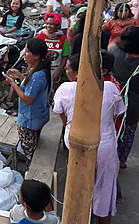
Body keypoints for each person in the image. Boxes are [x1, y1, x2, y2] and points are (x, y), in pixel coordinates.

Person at [54, 54, 125, 224]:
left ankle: (80, 216)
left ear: (79, 72)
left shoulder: (64, 89)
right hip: (105, 143)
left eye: (68, 68)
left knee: (80, 185)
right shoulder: (109, 87)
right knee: (104, 187)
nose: (66, 70)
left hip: (77, 143)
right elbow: (117, 114)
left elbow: (63, 118)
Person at [5, 38, 51, 167]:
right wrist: (20, 76)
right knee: (35, 143)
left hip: (30, 120)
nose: (24, 55)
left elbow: (28, 99)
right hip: (40, 115)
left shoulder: (37, 76)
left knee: (30, 151)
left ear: (36, 56)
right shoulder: (41, 70)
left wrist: (13, 84)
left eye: (27, 52)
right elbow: (33, 87)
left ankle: (31, 170)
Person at [111, 26, 139, 168]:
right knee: (128, 132)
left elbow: (112, 44)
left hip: (114, 97)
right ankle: (121, 160)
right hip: (134, 104)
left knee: (111, 127)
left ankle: (109, 156)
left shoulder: (114, 52)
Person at [36, 13, 70, 85]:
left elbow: (65, 57)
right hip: (41, 70)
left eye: (51, 24)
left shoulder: (64, 39)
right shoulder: (40, 36)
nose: (48, 26)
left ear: (57, 26)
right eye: (47, 23)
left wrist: (58, 72)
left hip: (55, 70)